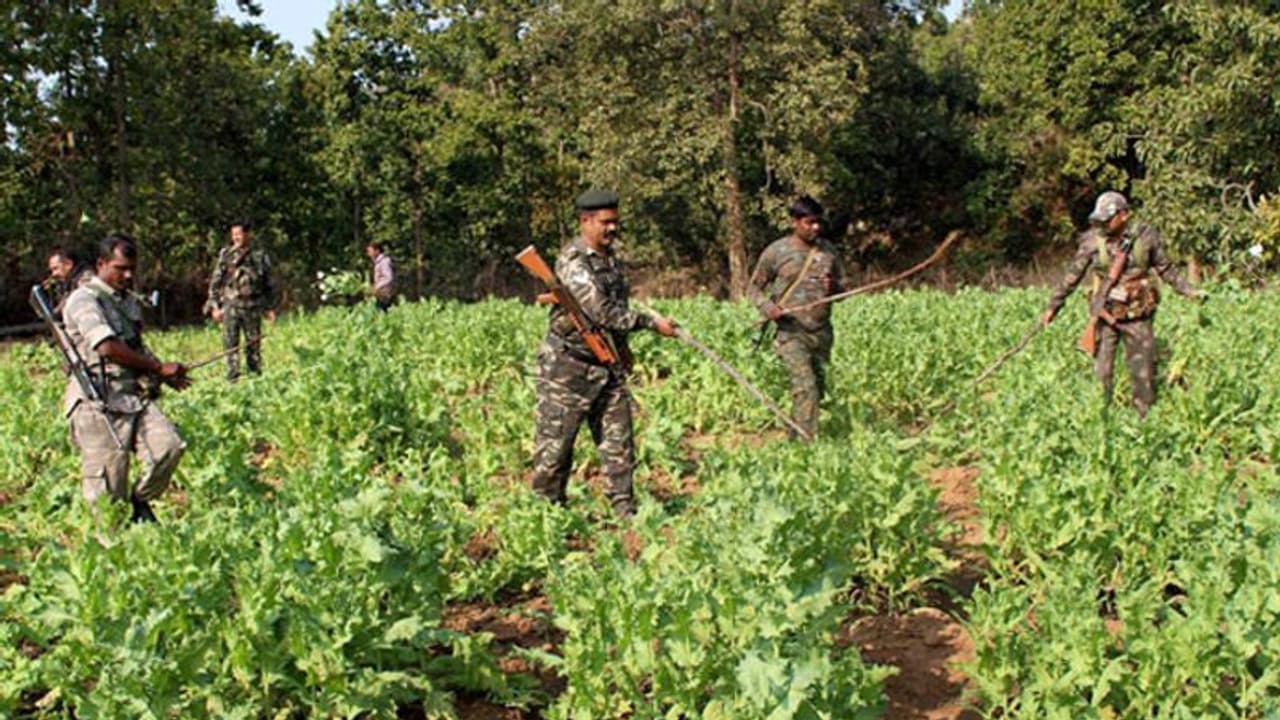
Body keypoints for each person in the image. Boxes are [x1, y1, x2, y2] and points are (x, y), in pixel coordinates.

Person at [530, 189, 678, 518]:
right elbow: (600, 311)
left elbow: (616, 310)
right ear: (585, 221)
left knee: (619, 444)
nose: (612, 229)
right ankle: (546, 517)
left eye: (615, 223)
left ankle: (626, 513)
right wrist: (652, 323)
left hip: (606, 365)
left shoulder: (611, 262)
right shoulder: (573, 261)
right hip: (567, 368)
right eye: (605, 223)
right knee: (555, 451)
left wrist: (622, 349)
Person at [61, 233, 191, 524]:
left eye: (132, 268)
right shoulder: (83, 300)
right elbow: (106, 347)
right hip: (97, 402)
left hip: (132, 396)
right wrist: (158, 368)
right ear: (102, 264)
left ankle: (140, 503)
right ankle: (113, 551)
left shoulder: (126, 301)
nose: (128, 275)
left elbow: (134, 347)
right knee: (109, 490)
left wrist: (161, 372)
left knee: (168, 448)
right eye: (121, 268)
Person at [1042, 190, 1201, 417]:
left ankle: (1144, 424)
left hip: (1138, 316)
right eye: (1100, 221)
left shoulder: (1146, 237)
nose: (1103, 225)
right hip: (1106, 316)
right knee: (1101, 373)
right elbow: (1072, 276)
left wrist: (1188, 290)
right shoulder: (1091, 242)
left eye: (1108, 220)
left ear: (1124, 215)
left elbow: (1165, 268)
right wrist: (1053, 307)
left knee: (1142, 376)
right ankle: (1100, 419)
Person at [747, 195, 846, 440]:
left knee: (818, 390)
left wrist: (834, 287)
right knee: (806, 388)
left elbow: (843, 290)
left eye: (818, 223)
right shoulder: (777, 251)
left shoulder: (829, 252)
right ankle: (807, 449)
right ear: (794, 221)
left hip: (821, 332)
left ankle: (794, 438)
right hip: (791, 333)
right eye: (810, 222)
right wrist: (768, 307)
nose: (816, 228)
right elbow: (753, 289)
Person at [205, 220, 277, 381]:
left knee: (253, 345)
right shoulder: (226, 254)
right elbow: (216, 281)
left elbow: (269, 283)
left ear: (247, 234)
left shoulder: (259, 255)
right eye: (234, 234)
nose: (236, 237)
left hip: (253, 306)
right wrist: (215, 307)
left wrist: (270, 307)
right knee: (230, 345)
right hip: (231, 306)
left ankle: (255, 378)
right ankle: (233, 379)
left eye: (239, 234)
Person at [45, 246, 95, 316]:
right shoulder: (67, 283)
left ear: (68, 264)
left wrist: (56, 312)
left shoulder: (86, 278)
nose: (54, 274)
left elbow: (77, 300)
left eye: (56, 268)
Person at [366, 242, 396, 311]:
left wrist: (376, 287)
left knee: (382, 313)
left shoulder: (384, 262)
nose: (369, 254)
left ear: (377, 251)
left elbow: (389, 277)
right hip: (381, 294)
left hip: (385, 294)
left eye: (370, 251)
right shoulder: (378, 263)